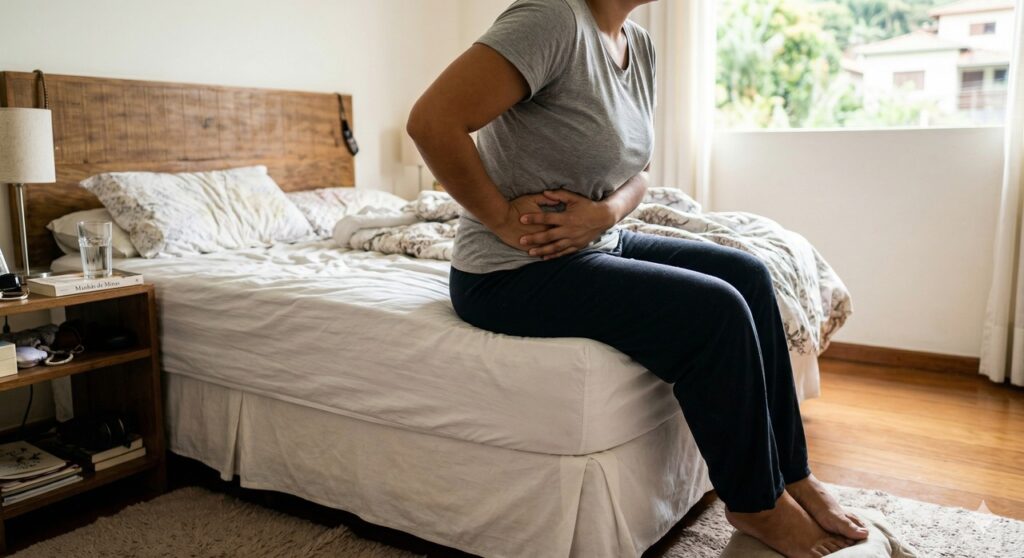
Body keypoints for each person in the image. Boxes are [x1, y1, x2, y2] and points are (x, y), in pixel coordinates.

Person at [407, 1, 869, 556]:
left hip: (598, 240)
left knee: (747, 272)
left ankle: (792, 473)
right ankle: (756, 507)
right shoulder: (551, 21)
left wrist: (605, 214)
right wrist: (502, 218)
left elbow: (639, 172)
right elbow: (431, 121)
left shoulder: (638, 44)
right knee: (715, 311)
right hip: (511, 271)